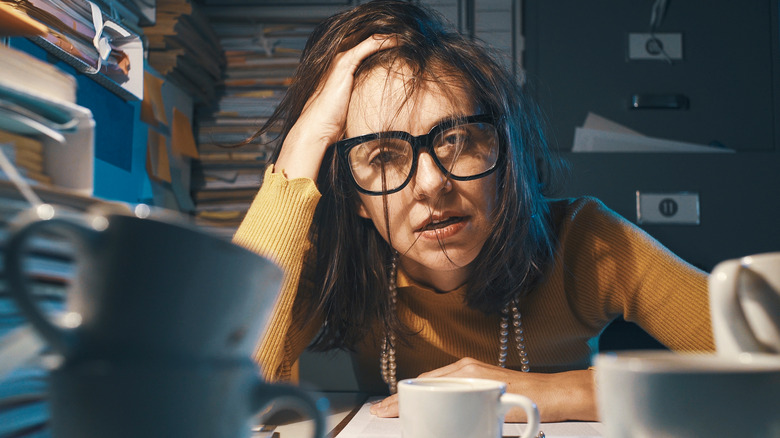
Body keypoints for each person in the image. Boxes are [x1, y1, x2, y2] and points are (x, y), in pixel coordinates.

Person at [232, 0, 714, 422]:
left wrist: (560, 391)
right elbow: (215, 387)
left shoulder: (588, 240)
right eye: (382, 156)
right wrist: (303, 143)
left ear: (503, 157)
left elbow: (766, 361)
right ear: (354, 197)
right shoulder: (339, 263)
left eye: (457, 141)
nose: (431, 183)